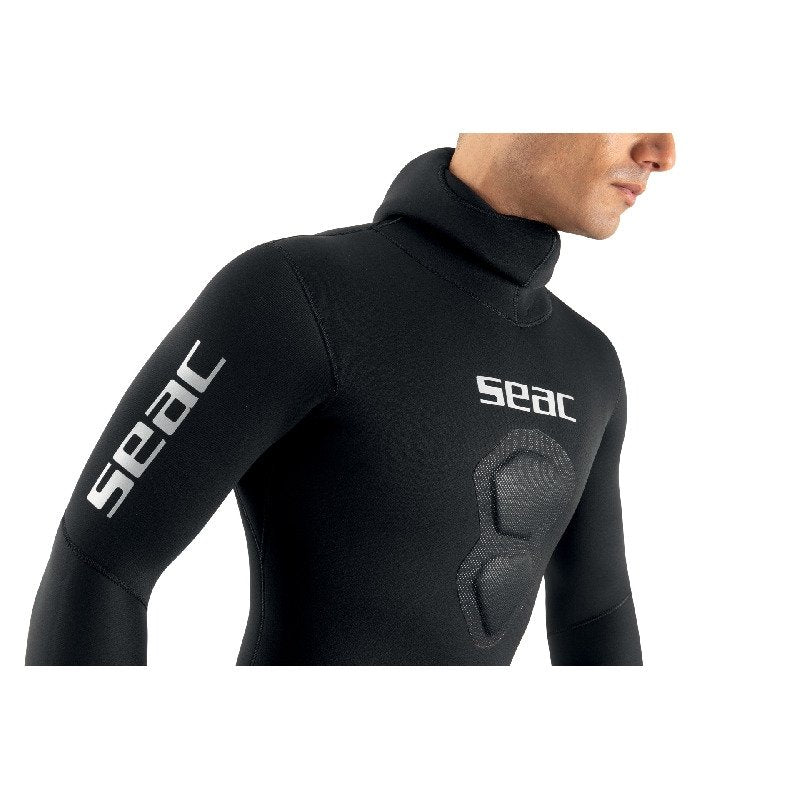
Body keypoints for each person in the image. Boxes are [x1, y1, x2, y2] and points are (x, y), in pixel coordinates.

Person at [25, 133, 676, 666]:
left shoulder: (590, 364)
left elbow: (596, 619)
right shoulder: (296, 296)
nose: (663, 151)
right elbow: (100, 567)